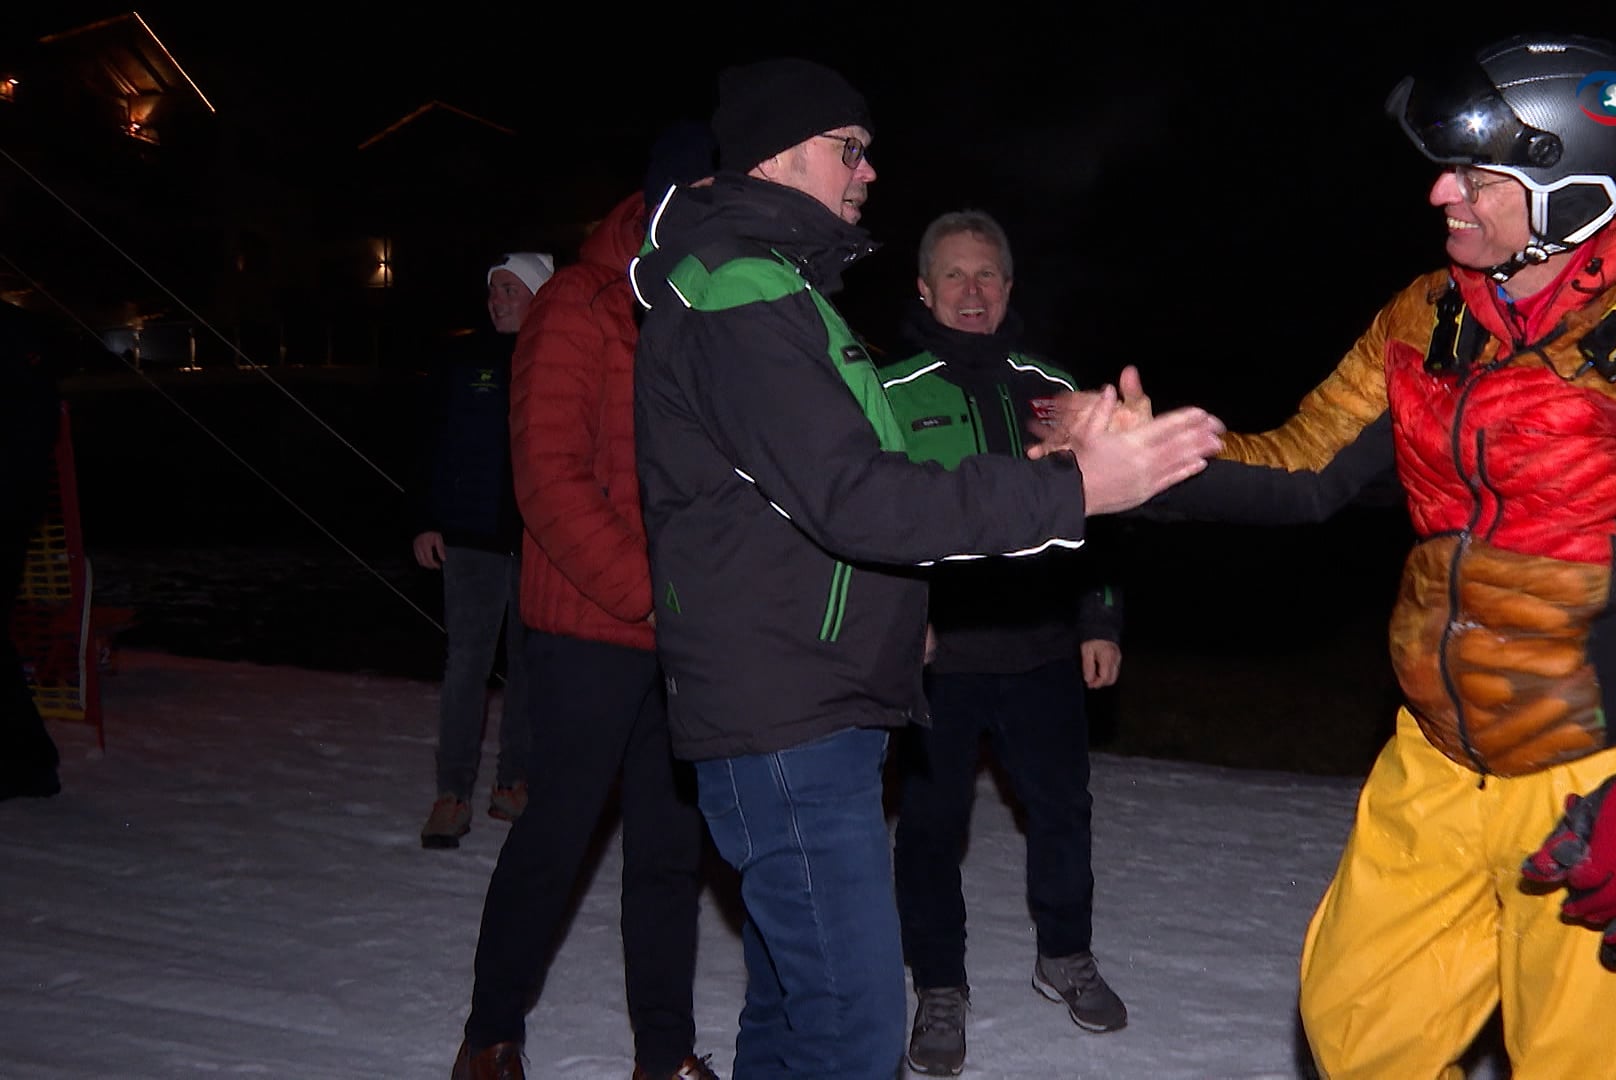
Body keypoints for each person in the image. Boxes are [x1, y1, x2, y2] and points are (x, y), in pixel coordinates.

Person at [1048, 33, 1616, 1078]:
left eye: (1476, 176)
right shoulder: (1428, 315)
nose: (1441, 195)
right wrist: (1154, 463)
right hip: (1435, 754)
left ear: (1575, 187)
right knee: (1360, 1030)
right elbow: (1303, 469)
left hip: (1595, 781)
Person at [628, 57, 1224, 1080]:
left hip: (818, 696)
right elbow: (860, 498)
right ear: (782, 153)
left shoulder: (780, 291)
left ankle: (1061, 953)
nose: (867, 172)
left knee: (792, 1014)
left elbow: (834, 498)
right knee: (855, 1035)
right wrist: (1077, 489)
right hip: (786, 713)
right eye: (848, 151)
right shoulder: (742, 294)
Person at [449, 132, 721, 1080]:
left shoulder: (696, 307)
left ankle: (665, 1050)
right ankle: (489, 1032)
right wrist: (654, 594)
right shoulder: (576, 303)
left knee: (667, 850)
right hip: (587, 631)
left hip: (678, 635)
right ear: (655, 201)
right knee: (557, 834)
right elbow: (550, 482)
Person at [879, 210, 1128, 1076]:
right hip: (938, 659)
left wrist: (1098, 617)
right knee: (931, 825)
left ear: (1010, 288)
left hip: (1042, 646)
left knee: (1062, 809)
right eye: (955, 275)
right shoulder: (889, 391)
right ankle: (939, 985)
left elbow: (1102, 513)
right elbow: (867, 522)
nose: (973, 291)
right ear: (924, 288)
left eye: (988, 275)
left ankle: (1064, 954)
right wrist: (899, 618)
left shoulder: (1055, 387)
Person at [415, 252, 552, 848]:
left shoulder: (555, 358)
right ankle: (451, 794)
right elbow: (430, 441)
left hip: (538, 541)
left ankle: (512, 785)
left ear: (537, 294)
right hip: (469, 541)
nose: (497, 300)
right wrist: (425, 520)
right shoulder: (462, 358)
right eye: (493, 290)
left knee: (529, 667)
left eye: (510, 289)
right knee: (466, 665)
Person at [1, 302, 66, 803]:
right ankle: (30, 763)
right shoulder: (22, 332)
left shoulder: (17, 336)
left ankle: (28, 764)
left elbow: (30, 429)